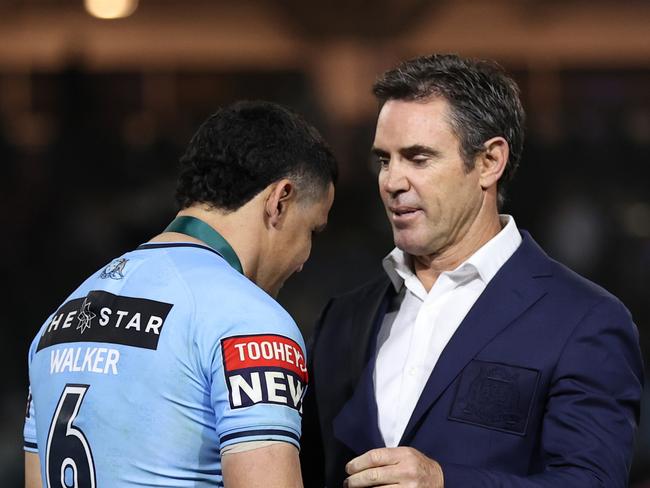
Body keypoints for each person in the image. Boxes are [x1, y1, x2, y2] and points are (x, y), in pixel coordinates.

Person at [300, 54, 644, 487]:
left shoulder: (585, 320)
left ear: (489, 162)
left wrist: (444, 482)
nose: (392, 181)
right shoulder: (343, 319)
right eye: (384, 160)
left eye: (418, 158)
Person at [23, 100, 337, 488]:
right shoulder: (250, 322)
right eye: (312, 231)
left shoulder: (57, 323)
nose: (305, 259)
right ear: (280, 200)